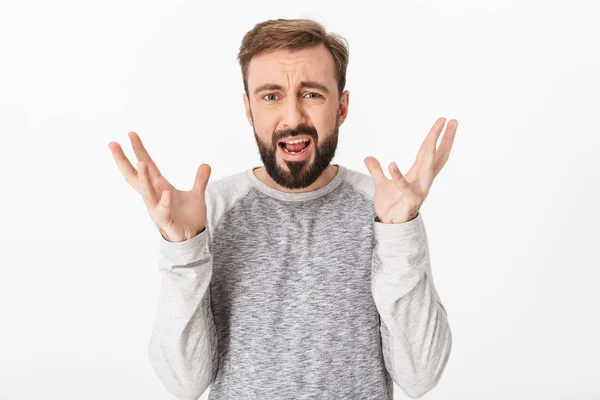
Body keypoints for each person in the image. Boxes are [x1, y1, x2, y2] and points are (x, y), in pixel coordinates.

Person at [108, 18, 457, 400]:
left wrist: (400, 233)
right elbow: (183, 384)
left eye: (311, 94)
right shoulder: (212, 211)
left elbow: (420, 376)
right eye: (271, 96)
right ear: (249, 110)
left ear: (341, 107)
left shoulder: (385, 210)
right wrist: (183, 249)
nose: (292, 118)